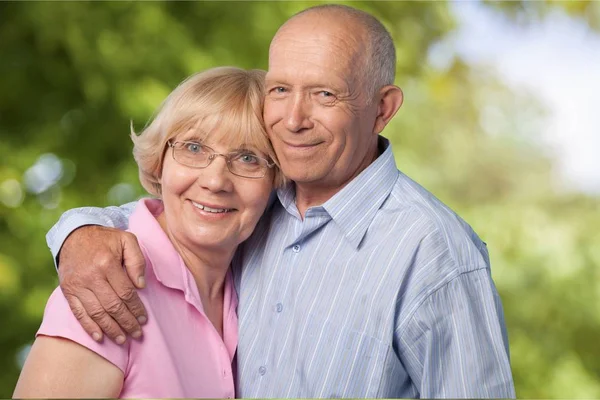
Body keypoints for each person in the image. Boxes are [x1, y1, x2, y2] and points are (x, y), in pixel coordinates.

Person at [43, 4, 516, 398]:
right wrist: (77, 234)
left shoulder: (435, 252)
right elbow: (167, 216)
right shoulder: (261, 200)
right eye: (280, 90)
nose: (293, 119)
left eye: (324, 94)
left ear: (383, 108)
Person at [14, 67, 281, 398]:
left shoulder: (257, 289)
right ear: (160, 161)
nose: (215, 181)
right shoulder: (104, 287)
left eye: (248, 158)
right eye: (194, 148)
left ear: (276, 182)